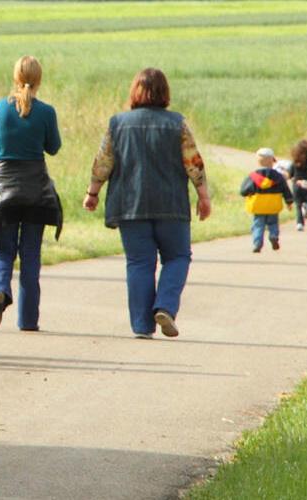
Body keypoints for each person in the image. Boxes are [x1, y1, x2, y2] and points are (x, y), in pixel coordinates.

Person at [82, 67, 212, 339]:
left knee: (140, 262)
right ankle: (164, 305)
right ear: (165, 93)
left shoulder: (118, 124)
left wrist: (92, 192)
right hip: (172, 205)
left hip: (130, 205)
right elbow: (193, 162)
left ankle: (142, 326)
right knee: (177, 257)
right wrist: (203, 196)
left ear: (135, 92)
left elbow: (103, 162)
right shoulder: (177, 123)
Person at [0, 56, 63, 332]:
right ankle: (28, 319)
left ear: (15, 77)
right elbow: (54, 147)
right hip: (35, 189)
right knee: (31, 255)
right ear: (39, 80)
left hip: (3, 188)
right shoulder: (46, 112)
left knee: (3, 250)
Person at [240, 148, 292, 253]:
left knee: (258, 225)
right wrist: (289, 201)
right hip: (273, 205)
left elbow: (243, 190)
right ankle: (273, 236)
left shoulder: (253, 176)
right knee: (273, 223)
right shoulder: (278, 177)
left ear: (258, 161)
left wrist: (248, 194)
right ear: (272, 161)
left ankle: (257, 243)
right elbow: (286, 190)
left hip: (258, 205)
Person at [288, 140, 307, 231]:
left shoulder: (294, 163)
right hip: (306, 184)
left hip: (296, 185)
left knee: (298, 205)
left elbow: (290, 175)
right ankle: (306, 206)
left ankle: (299, 223)